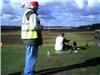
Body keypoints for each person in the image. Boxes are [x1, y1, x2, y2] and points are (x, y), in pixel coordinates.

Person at [21, 1, 43, 75]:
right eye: (37, 6)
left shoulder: (27, 12)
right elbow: (34, 26)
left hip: (28, 38)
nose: (37, 8)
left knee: (29, 56)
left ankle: (29, 70)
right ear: (35, 6)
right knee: (32, 56)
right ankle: (28, 73)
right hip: (32, 38)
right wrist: (41, 27)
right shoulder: (32, 14)